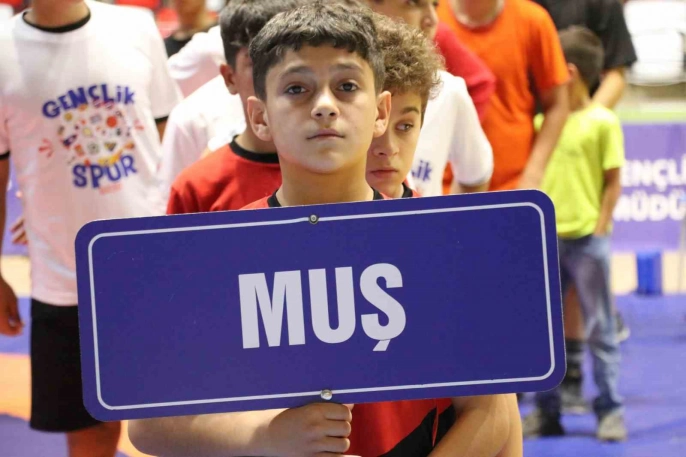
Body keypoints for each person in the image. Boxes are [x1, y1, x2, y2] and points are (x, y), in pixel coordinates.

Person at [129, 3, 518, 456]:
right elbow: (148, 424)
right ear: (259, 117)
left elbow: (494, 412)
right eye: (297, 88)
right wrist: (264, 436)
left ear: (380, 110)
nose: (325, 106)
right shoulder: (219, 252)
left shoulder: (441, 246)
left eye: (347, 86)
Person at [0, 0, 181, 455]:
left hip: (155, 269)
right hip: (64, 280)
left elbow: (170, 145)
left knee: (179, 425)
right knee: (90, 432)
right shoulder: (2, 53)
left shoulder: (136, 28)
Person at [523, 26, 626, 442]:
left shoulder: (603, 123)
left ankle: (610, 409)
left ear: (568, 71)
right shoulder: (541, 121)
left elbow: (612, 182)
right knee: (542, 332)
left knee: (601, 329)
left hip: (587, 242)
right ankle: (547, 411)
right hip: (546, 242)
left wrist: (599, 230)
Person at [437, 0, 570, 192]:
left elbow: (558, 104)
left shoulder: (533, 20)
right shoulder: (428, 16)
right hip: (439, 185)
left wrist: (533, 175)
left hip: (512, 185)